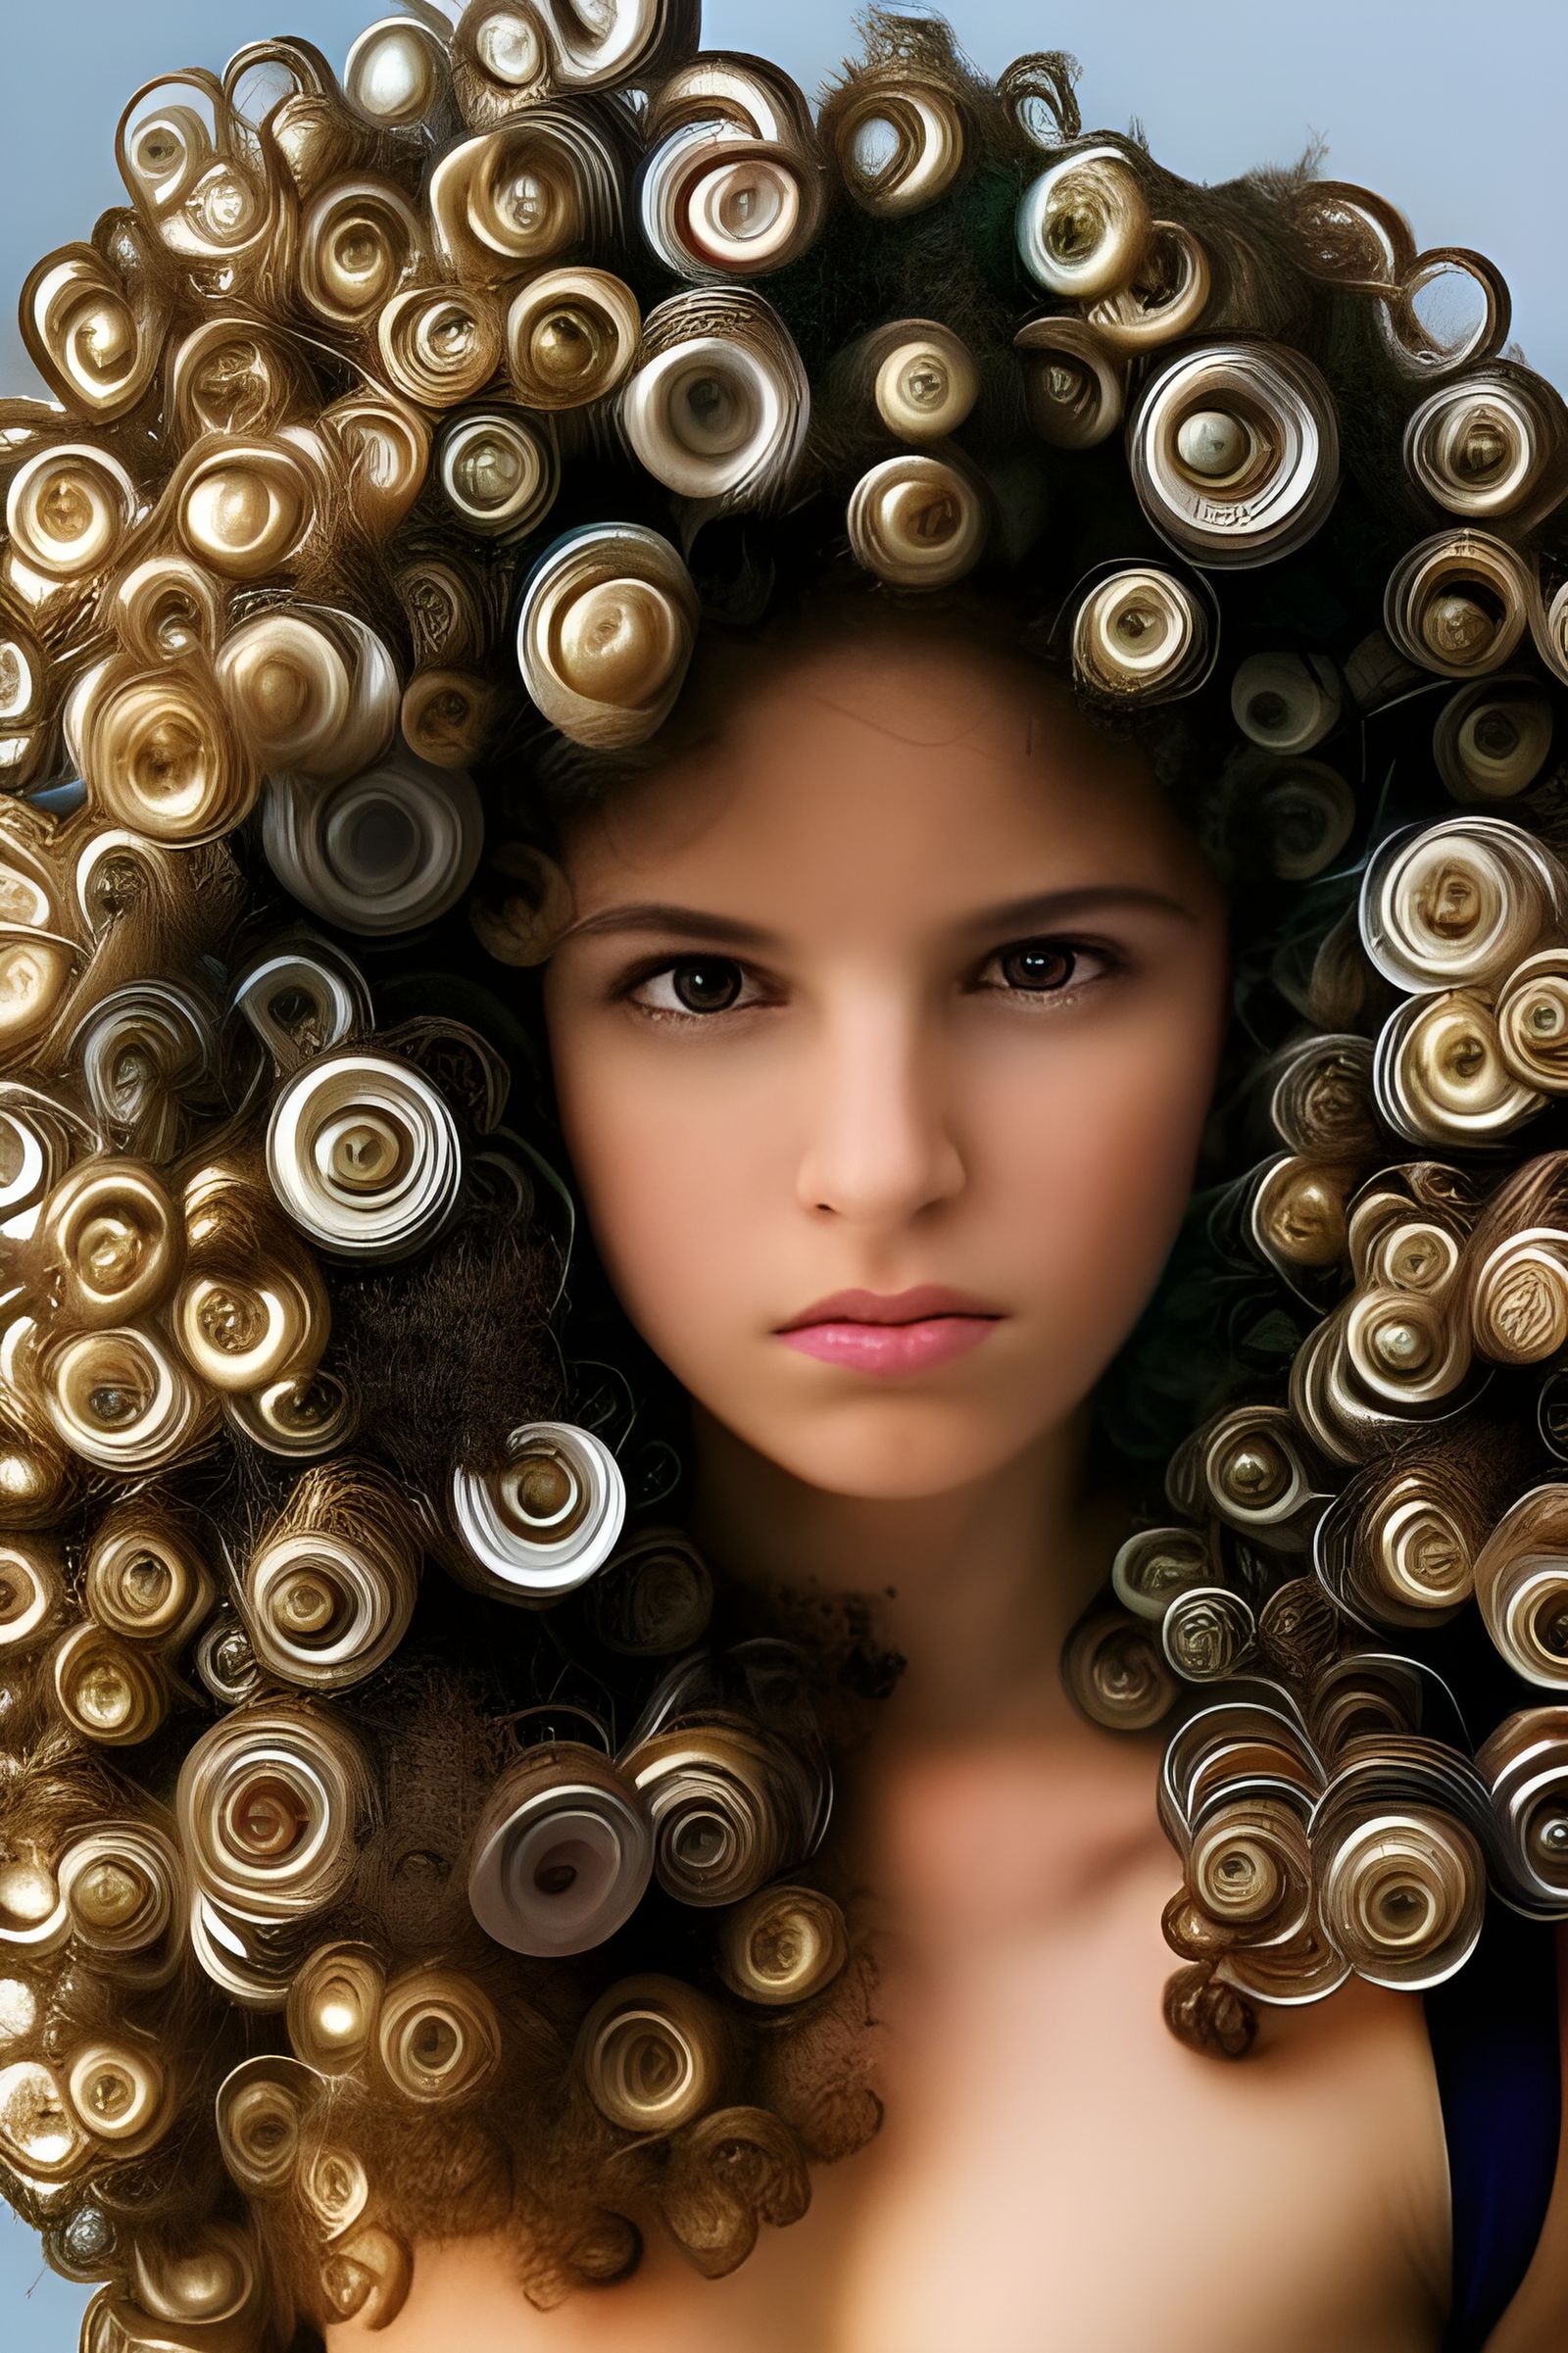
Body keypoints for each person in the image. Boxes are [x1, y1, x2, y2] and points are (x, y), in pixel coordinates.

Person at [2, 6, 1567, 2352]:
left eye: (1041, 964)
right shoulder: (263, 1940)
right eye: (700, 987)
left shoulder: (1479, 1973)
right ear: (439, 1035)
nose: (880, 1167)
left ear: (1283, 1002)